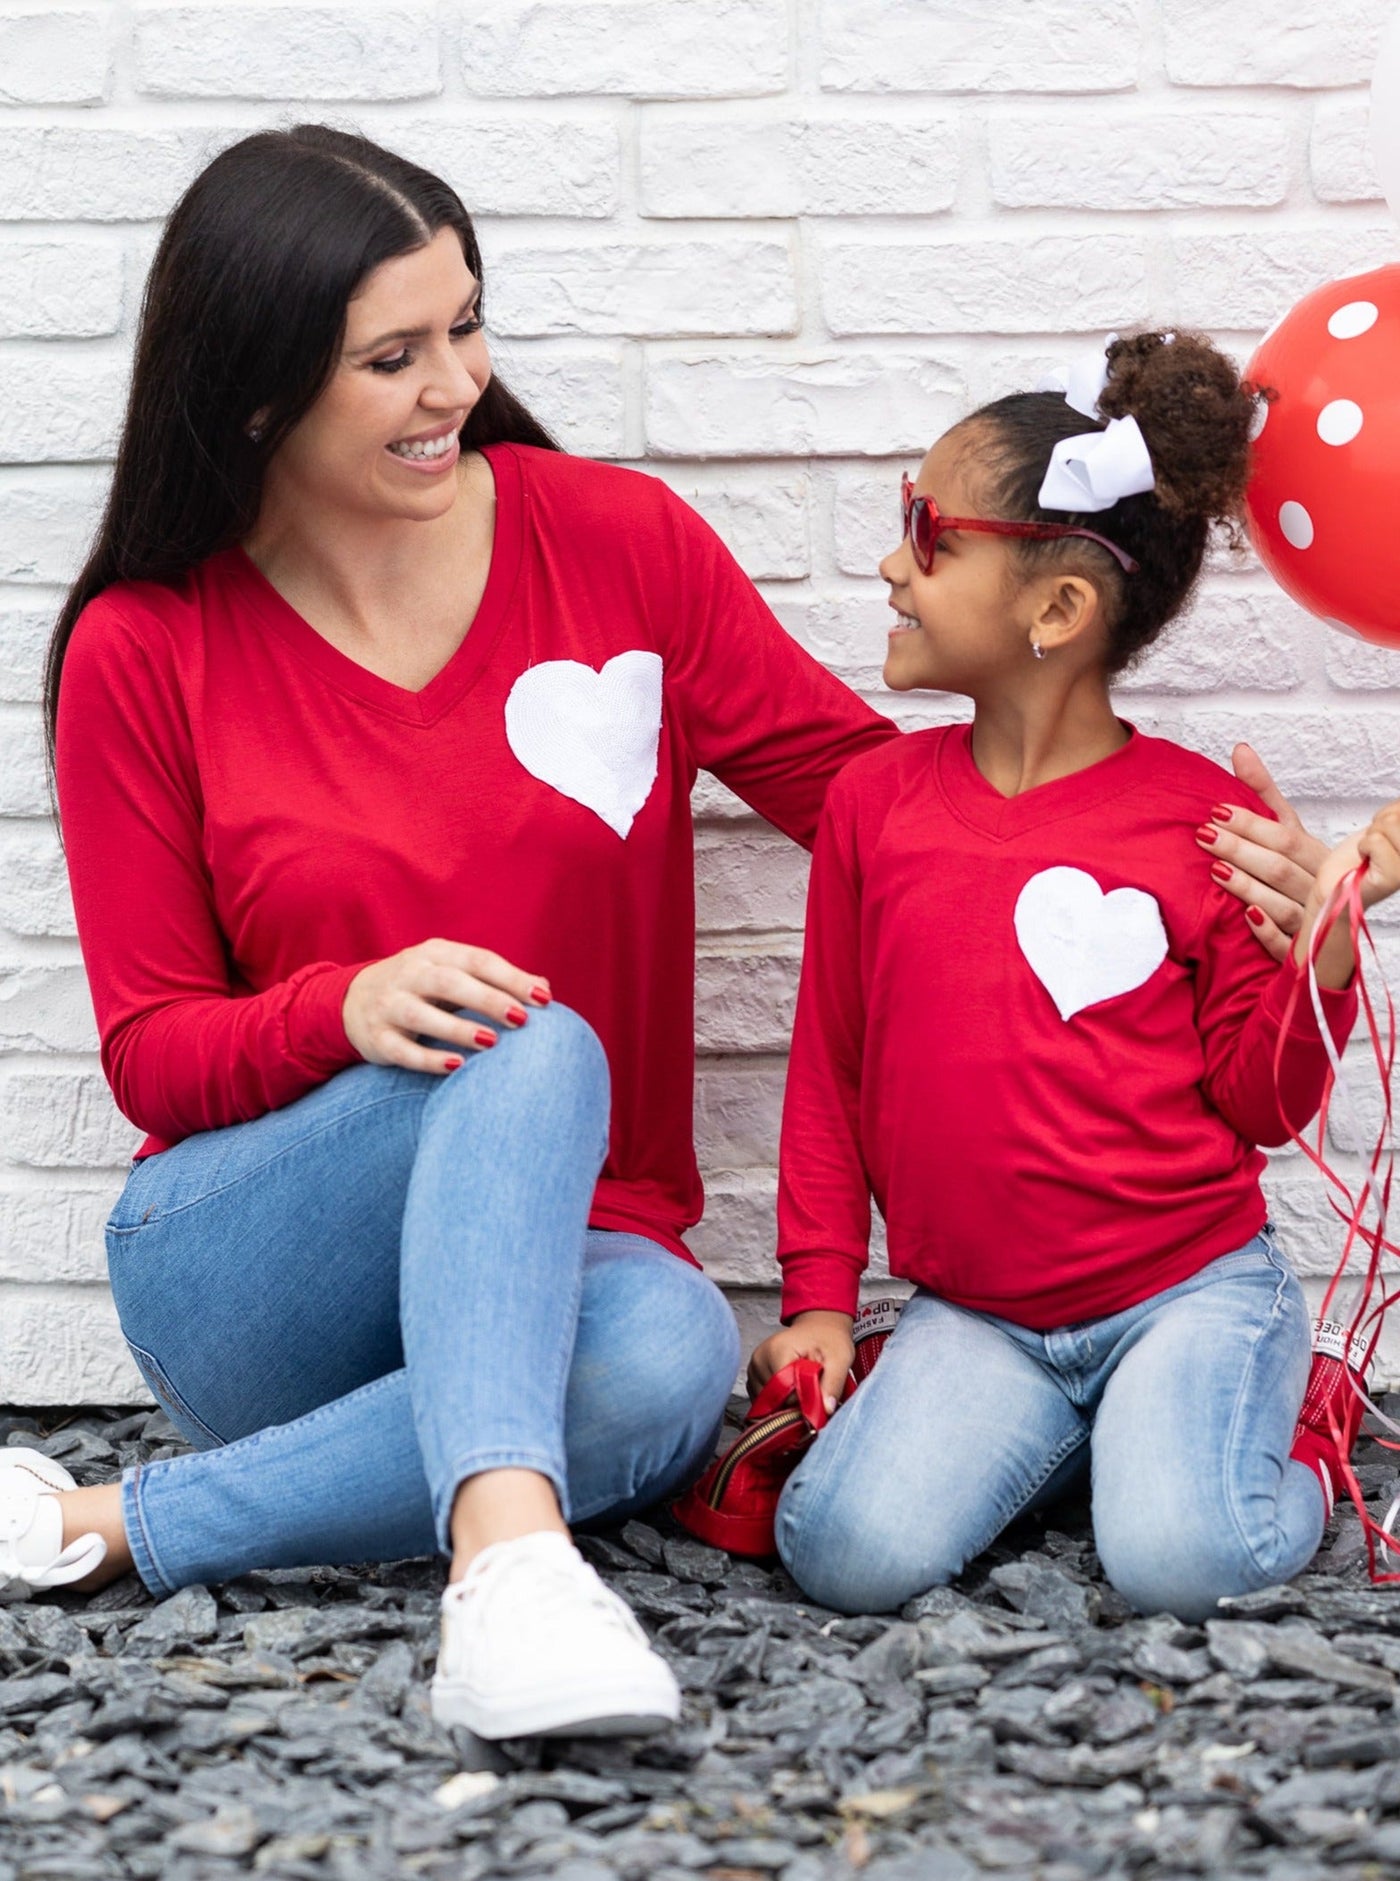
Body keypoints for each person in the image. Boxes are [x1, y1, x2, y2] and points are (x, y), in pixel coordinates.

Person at [0, 126, 1323, 1724]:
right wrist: (342, 1009)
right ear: (259, 390)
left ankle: (130, 1524)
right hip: (257, 1273)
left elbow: (894, 812)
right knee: (531, 1044)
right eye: (394, 357)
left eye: (466, 327)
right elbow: (153, 1052)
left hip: (565, 1269)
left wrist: (1210, 867)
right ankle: (509, 1564)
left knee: (676, 1355)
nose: (457, 385)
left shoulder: (618, 548)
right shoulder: (145, 648)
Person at [750, 330, 1400, 1624]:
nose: (891, 564)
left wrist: (1322, 946)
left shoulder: (1203, 823)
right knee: (837, 1550)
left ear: (1056, 611)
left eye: (929, 534)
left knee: (1182, 1563)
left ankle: (1298, 1439)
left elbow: (1261, 1107)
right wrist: (820, 1300)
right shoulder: (875, 807)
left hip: (1188, 1288)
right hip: (978, 1314)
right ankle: (1099, 1438)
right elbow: (831, 1070)